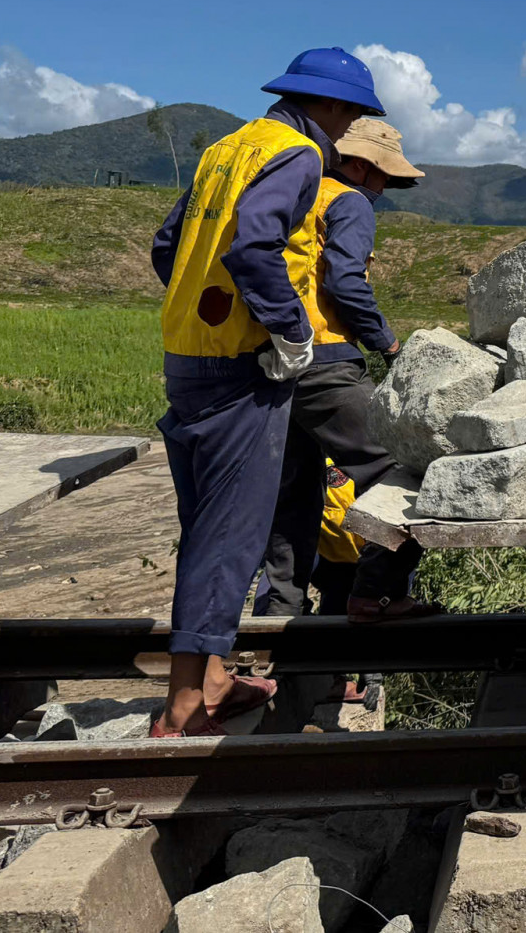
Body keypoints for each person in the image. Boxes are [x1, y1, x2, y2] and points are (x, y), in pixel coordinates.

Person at [150, 47, 385, 736]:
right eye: (350, 114)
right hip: (241, 367)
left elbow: (168, 245)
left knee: (207, 527)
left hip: (187, 354)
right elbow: (254, 248)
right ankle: (186, 710)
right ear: (333, 105)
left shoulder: (226, 149)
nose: (348, 128)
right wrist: (289, 330)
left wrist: (205, 305)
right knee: (231, 534)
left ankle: (212, 679)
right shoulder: (298, 154)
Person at [255, 117, 440, 626]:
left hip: (273, 360)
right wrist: (389, 344)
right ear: (360, 165)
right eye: (383, 176)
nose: (383, 190)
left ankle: (282, 609)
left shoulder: (295, 193)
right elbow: (344, 281)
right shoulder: (349, 201)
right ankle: (375, 593)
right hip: (325, 361)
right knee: (400, 470)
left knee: (296, 492)